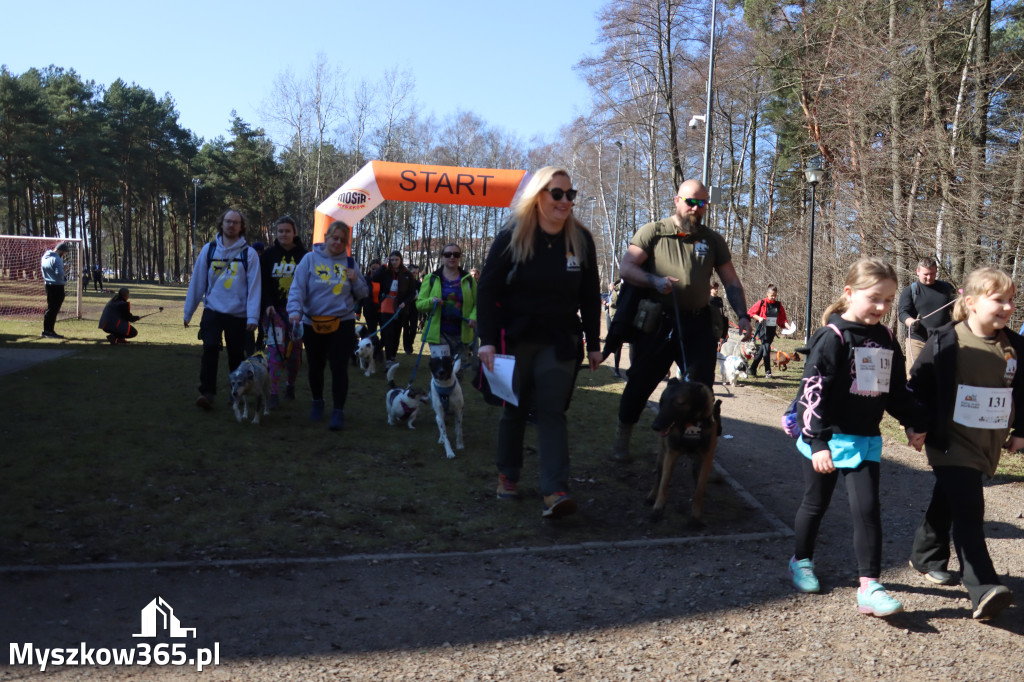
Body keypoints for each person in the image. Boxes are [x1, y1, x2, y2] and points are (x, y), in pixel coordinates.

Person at [787, 258, 924, 618]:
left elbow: (894, 390)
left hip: (865, 441)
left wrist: (911, 422)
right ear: (849, 293)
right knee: (815, 504)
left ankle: (870, 586)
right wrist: (817, 442)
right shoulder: (832, 337)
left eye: (889, 300)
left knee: (866, 511)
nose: (882, 307)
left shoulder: (886, 338)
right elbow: (811, 393)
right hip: (826, 440)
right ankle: (801, 560)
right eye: (875, 298)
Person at [477, 166, 602, 519]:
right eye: (557, 193)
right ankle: (508, 475)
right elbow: (487, 290)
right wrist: (487, 341)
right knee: (513, 409)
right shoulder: (512, 236)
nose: (565, 201)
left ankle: (555, 490)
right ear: (537, 196)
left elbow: (591, 297)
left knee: (551, 410)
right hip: (515, 339)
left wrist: (594, 343)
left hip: (560, 340)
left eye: (570, 194)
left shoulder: (581, 240)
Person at [907, 266, 1022, 620]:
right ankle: (983, 586)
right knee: (970, 509)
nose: (1006, 307)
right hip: (948, 440)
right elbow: (919, 385)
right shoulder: (945, 339)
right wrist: (917, 425)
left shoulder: (1014, 345)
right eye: (997, 299)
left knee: (950, 497)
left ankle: (925, 555)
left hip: (986, 441)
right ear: (970, 303)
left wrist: (1020, 430)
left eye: (1011, 300)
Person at [611, 179, 752, 461]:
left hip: (698, 325)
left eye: (702, 203)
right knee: (640, 382)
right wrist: (653, 279)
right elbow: (626, 268)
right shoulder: (653, 232)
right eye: (691, 202)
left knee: (701, 391)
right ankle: (622, 440)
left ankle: (696, 449)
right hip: (658, 323)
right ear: (677, 201)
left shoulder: (712, 240)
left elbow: (731, 282)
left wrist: (744, 316)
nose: (696, 208)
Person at [287, 220, 368, 431]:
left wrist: (355, 280)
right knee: (315, 366)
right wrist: (294, 312)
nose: (338, 242)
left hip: (343, 322)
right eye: (335, 238)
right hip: (313, 321)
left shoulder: (350, 264)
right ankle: (317, 402)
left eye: (342, 239)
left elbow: (363, 293)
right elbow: (297, 289)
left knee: (339, 367)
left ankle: (338, 411)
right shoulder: (310, 259)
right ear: (327, 238)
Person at [184, 208, 262, 410]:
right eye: (228, 221)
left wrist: (253, 316)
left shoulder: (249, 254)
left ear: (241, 226)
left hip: (238, 315)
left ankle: (235, 393)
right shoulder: (209, 250)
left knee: (236, 355)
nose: (231, 225)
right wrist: (188, 312)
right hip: (213, 311)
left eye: (236, 222)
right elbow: (197, 282)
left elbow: (254, 288)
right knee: (209, 348)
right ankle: (207, 393)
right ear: (222, 223)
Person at [260, 215, 308, 407]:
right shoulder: (268, 256)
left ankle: (290, 384)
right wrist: (267, 304)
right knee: (275, 351)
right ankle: (273, 392)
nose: (283, 234)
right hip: (274, 312)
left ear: (294, 233)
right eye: (280, 231)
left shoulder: (305, 256)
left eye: (287, 231)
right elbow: (262, 284)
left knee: (294, 353)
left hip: (298, 313)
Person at [416, 243, 477, 364]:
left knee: (457, 373)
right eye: (448, 254)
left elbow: (478, 303)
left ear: (460, 257)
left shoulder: (469, 279)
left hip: (462, 333)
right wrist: (431, 301)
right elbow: (419, 305)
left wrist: (473, 317)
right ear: (442, 257)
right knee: (441, 371)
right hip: (438, 334)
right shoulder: (431, 278)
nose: (452, 257)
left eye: (456, 254)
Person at [897, 257, 956, 377]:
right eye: (926, 274)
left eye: (933, 274)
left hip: (941, 340)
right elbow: (903, 313)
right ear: (917, 271)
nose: (929, 277)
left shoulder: (946, 288)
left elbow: (958, 309)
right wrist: (911, 322)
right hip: (917, 341)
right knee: (914, 377)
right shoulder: (910, 291)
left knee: (942, 377)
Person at [372, 250, 417, 367]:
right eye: (392, 260)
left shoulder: (407, 274)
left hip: (400, 307)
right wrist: (383, 265)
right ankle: (388, 359)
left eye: (396, 259)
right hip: (386, 305)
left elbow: (412, 293)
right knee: (387, 333)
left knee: (396, 334)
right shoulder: (385, 272)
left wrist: (405, 302)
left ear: (401, 260)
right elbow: (374, 278)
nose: (394, 262)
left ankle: (392, 357)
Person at [747, 285, 789, 379]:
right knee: (766, 349)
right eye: (772, 295)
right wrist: (759, 318)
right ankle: (768, 372)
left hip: (771, 330)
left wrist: (788, 326)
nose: (773, 297)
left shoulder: (778, 305)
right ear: (767, 294)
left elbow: (782, 319)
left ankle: (752, 368)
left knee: (763, 348)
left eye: (775, 295)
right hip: (762, 329)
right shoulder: (761, 303)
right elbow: (750, 313)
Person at [40, 242, 70, 339]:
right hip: (57, 286)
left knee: (50, 308)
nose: (64, 255)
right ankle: (49, 331)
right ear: (61, 250)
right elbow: (59, 273)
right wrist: (64, 273)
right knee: (54, 309)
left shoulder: (45, 256)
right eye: (64, 253)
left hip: (48, 284)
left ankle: (47, 330)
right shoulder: (57, 259)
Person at [604, 280, 624, 378]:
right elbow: (612, 304)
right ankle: (614, 367)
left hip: (620, 318)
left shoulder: (627, 286)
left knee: (618, 344)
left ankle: (617, 368)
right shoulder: (616, 288)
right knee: (613, 342)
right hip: (612, 316)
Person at [404, 264, 423, 352]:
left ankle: (410, 343)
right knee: (406, 328)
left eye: (416, 272)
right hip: (404, 308)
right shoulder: (403, 282)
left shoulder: (418, 284)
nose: (415, 274)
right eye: (413, 272)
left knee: (413, 328)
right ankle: (407, 346)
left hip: (414, 309)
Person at [709, 281, 729, 352]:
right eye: (714, 288)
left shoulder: (719, 299)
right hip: (709, 325)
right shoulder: (707, 299)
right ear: (710, 289)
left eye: (717, 288)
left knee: (715, 344)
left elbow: (722, 312)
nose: (716, 289)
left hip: (718, 325)